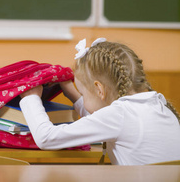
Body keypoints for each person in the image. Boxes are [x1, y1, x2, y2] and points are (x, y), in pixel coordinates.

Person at [19, 38, 180, 165]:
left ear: (100, 90)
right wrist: (73, 93)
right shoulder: (159, 105)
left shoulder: (119, 115)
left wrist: (31, 97)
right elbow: (98, 117)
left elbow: (46, 138)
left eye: (83, 93)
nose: (82, 96)